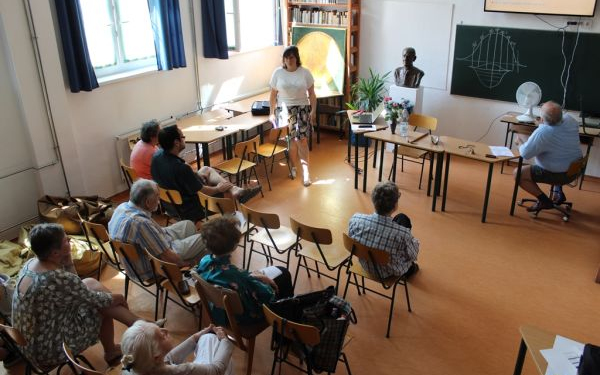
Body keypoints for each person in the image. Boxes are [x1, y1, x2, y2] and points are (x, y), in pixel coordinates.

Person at [11, 223, 152, 370]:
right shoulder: (55, 278)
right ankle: (139, 329)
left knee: (90, 283)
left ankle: (135, 327)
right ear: (54, 253)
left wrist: (68, 261)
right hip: (49, 350)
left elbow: (76, 288)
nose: (70, 240)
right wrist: (120, 297)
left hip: (28, 345)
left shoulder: (30, 264)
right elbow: (94, 299)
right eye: (66, 240)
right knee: (101, 304)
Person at [151, 125, 261, 222]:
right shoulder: (181, 168)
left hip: (170, 205)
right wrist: (218, 188)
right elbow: (203, 191)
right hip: (189, 210)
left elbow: (183, 177)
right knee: (225, 192)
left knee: (205, 169)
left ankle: (236, 190)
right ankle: (231, 223)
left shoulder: (156, 157)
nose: (184, 139)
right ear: (176, 142)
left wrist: (195, 175)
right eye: (183, 137)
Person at [196, 217, 294, 326]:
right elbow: (268, 295)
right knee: (283, 273)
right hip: (245, 317)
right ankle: (286, 330)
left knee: (276, 273)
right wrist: (262, 280)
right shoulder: (239, 276)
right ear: (234, 245)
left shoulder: (204, 261)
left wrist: (253, 277)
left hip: (220, 312)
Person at [109, 179, 208, 281]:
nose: (159, 199)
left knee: (189, 225)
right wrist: (184, 264)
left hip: (134, 263)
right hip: (150, 267)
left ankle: (197, 255)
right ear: (147, 202)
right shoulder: (141, 223)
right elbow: (167, 256)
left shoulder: (121, 207)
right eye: (157, 196)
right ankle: (202, 270)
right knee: (207, 238)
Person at [514, 101, 583, 211]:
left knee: (518, 173)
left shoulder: (543, 132)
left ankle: (544, 201)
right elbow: (555, 128)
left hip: (560, 175)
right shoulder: (570, 120)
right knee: (558, 154)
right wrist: (543, 124)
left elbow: (525, 154)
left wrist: (519, 143)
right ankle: (558, 192)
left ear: (541, 119)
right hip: (576, 169)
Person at [348, 181, 420, 278]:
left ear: (373, 200)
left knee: (400, 218)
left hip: (365, 265)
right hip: (389, 272)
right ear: (395, 206)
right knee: (403, 219)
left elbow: (352, 240)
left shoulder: (355, 219)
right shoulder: (403, 234)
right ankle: (409, 271)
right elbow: (413, 255)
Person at [269, 45, 317, 187]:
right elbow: (272, 95)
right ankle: (293, 167)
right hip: (284, 110)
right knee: (290, 141)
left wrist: (313, 110)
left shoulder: (305, 73)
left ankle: (306, 172)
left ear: (296, 58)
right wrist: (271, 113)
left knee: (301, 140)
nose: (289, 60)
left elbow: (312, 94)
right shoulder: (277, 73)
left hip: (302, 108)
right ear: (283, 59)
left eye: (291, 57)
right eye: (286, 57)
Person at [120, 321, 233, 375]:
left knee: (207, 337)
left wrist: (195, 337)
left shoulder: (141, 366)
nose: (166, 330)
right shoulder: (179, 372)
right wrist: (225, 340)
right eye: (161, 335)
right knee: (222, 352)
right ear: (156, 357)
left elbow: (168, 358)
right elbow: (217, 370)